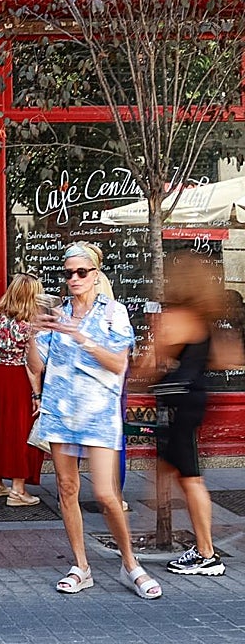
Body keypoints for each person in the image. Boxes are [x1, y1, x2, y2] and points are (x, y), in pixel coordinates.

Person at [28, 241, 161, 599]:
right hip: (61, 412)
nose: (74, 278)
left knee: (106, 494)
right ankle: (81, 566)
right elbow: (37, 365)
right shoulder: (58, 312)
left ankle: (130, 564)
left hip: (99, 414)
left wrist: (79, 336)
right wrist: (32, 332)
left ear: (95, 274)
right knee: (67, 490)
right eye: (68, 272)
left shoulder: (113, 313)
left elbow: (118, 364)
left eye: (81, 272)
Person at [146, 250, 238, 576]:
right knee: (182, 474)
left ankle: (206, 552)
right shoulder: (203, 319)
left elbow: (150, 361)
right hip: (193, 400)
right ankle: (201, 546)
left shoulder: (179, 317)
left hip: (180, 405)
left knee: (192, 478)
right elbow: (225, 359)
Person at [0, 273, 46, 507]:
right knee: (20, 434)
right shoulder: (33, 321)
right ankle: (18, 490)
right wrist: (37, 395)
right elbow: (32, 364)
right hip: (18, 379)